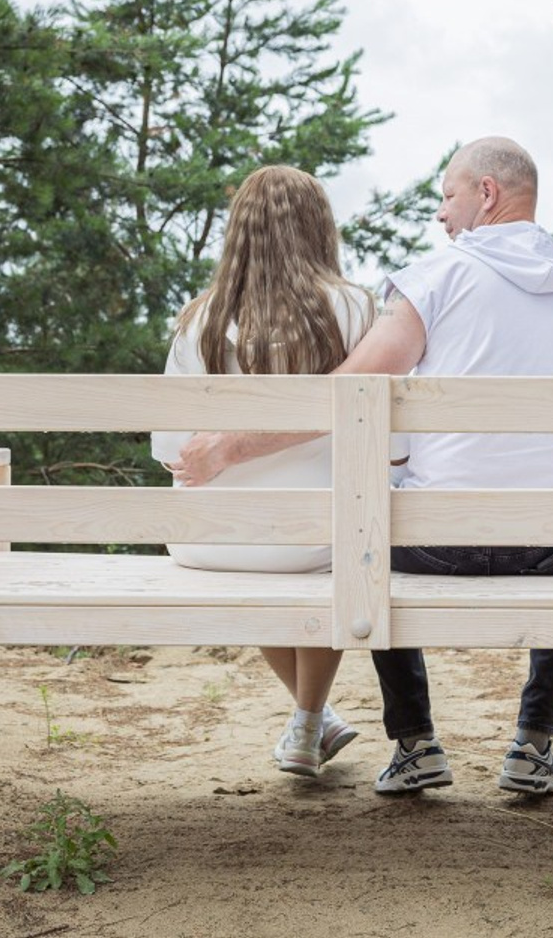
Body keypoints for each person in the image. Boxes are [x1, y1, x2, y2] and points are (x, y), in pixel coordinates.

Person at [170, 138, 553, 797]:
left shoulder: (436, 279)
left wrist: (231, 447)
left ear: (487, 194)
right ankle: (533, 743)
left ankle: (415, 743)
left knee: (371, 529)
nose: (442, 216)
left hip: (440, 546)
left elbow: (351, 392)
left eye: (448, 196)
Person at [151, 165, 375, 779]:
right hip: (312, 541)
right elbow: (389, 444)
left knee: (257, 553)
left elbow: (169, 446)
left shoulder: (198, 318)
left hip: (210, 542)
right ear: (319, 228)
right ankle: (307, 725)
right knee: (316, 546)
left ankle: (315, 721)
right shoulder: (355, 310)